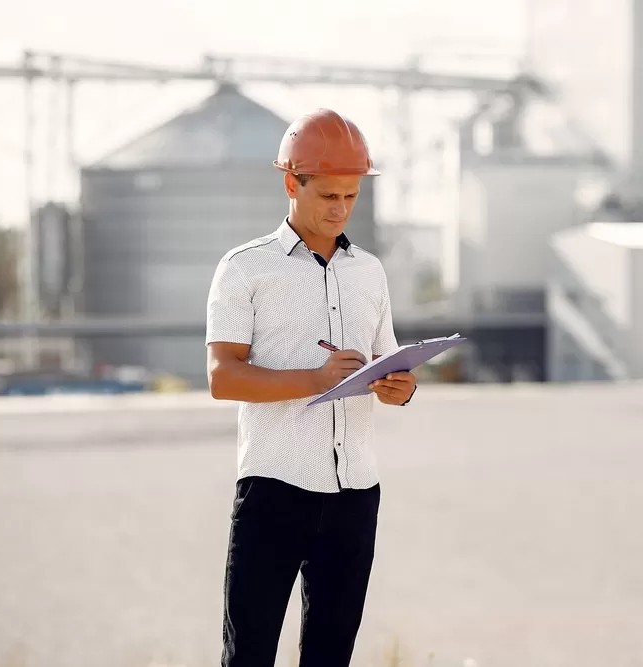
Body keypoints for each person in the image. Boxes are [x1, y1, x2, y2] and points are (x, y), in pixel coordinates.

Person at [205, 108, 417, 667]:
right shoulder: (244, 268)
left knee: (330, 659)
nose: (341, 209)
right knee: (247, 656)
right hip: (275, 490)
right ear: (291, 183)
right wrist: (316, 381)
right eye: (328, 196)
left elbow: (384, 363)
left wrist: (398, 385)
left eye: (350, 196)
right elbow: (222, 377)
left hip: (356, 494)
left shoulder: (369, 271)